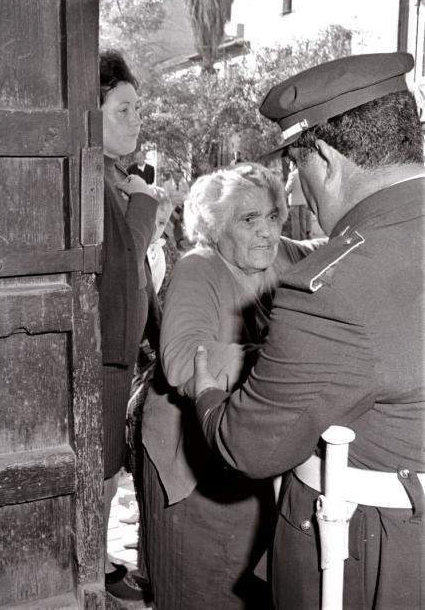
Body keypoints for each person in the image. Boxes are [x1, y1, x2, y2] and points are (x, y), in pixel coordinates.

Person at [186, 52, 425, 609]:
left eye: (296, 169)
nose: (294, 193)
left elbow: (250, 447)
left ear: (323, 158)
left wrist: (207, 395)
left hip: (376, 557)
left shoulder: (335, 289)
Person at [140, 163, 321, 610]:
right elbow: (183, 360)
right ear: (215, 228)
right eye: (249, 220)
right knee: (205, 587)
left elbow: (329, 250)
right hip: (196, 464)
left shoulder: (279, 253)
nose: (267, 232)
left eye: (274, 217)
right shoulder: (199, 268)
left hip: (246, 453)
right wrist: (280, 363)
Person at [98, 49, 157, 601]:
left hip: (120, 349)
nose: (136, 118)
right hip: (102, 355)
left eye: (138, 108)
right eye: (123, 108)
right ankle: (88, 568)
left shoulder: (114, 178)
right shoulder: (96, 182)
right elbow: (118, 271)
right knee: (101, 466)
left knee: (107, 464)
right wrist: (144, 204)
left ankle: (93, 558)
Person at [146, 186, 174, 294]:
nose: (155, 227)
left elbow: (150, 292)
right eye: (151, 218)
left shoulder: (156, 255)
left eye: (161, 223)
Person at [283, 159, 312, 239]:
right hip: (303, 201)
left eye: (290, 165)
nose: (289, 167)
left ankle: (297, 240)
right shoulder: (304, 173)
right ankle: (303, 239)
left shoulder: (292, 175)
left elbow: (288, 189)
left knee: (296, 223)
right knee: (303, 222)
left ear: (294, 165)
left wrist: (283, 196)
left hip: (295, 202)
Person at [163, 167, 190, 248]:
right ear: (172, 175)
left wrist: (184, 209)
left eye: (179, 177)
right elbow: (167, 199)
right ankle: (176, 241)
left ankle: (184, 240)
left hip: (182, 207)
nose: (178, 179)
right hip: (171, 207)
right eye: (176, 177)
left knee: (184, 219)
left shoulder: (185, 184)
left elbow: (188, 198)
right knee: (174, 220)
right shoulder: (167, 184)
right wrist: (172, 211)